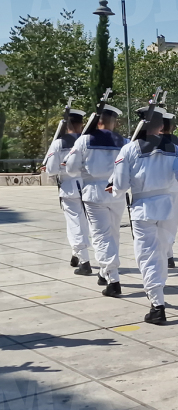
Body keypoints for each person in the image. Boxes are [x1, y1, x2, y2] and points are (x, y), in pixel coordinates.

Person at [112, 107, 178, 324]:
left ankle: (157, 304)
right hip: (167, 208)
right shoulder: (174, 149)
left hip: (143, 207)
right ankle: (158, 292)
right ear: (161, 125)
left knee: (147, 256)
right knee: (162, 253)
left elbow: (120, 185)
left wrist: (116, 189)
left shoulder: (129, 149)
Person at [64, 105, 127, 297]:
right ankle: (104, 271)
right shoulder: (123, 141)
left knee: (101, 236)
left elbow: (71, 169)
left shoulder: (84, 140)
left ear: (97, 122)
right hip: (116, 192)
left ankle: (112, 279)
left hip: (94, 192)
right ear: (113, 122)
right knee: (113, 233)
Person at [44, 109, 93, 275]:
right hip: (87, 185)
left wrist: (58, 168)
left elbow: (51, 170)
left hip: (69, 188)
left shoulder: (58, 143)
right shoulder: (87, 141)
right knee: (83, 222)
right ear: (81, 124)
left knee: (75, 223)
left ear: (66, 125)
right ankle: (75, 254)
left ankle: (84, 261)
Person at [161, 112, 178, 270]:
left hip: (160, 185)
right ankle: (169, 252)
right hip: (175, 185)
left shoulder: (152, 142)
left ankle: (166, 253)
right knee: (172, 221)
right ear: (173, 127)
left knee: (161, 220)